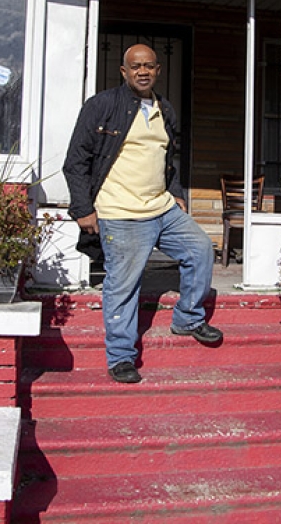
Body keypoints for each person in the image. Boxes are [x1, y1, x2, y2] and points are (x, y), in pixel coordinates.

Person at [63, 44, 222, 384]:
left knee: (200, 249)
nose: (143, 71)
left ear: (158, 70)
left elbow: (166, 160)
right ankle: (121, 356)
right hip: (119, 212)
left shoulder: (165, 109)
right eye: (135, 66)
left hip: (161, 207)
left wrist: (175, 194)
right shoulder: (102, 106)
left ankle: (188, 318)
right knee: (123, 284)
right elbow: (76, 161)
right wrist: (83, 209)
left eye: (149, 66)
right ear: (124, 71)